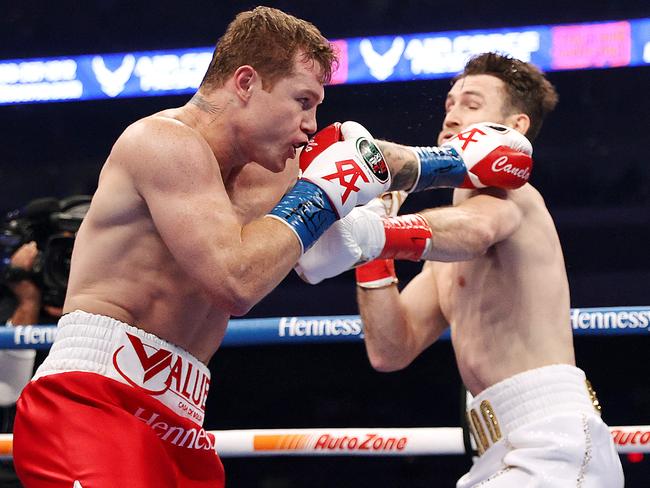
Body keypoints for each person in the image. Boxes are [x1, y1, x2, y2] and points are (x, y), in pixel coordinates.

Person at [12, 5, 534, 482]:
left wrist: (460, 160)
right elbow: (235, 282)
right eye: (302, 102)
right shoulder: (162, 143)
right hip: (93, 401)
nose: (310, 125)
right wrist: (323, 193)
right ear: (245, 82)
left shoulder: (274, 170)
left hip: (180, 418)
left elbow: (375, 159)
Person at [297, 53, 624, 487]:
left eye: (471, 104)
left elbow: (478, 229)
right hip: (496, 450)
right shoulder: (441, 250)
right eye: (450, 104)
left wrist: (374, 231)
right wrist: (368, 244)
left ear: (516, 128)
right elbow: (391, 350)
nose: (451, 115)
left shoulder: (515, 198)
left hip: (553, 439)